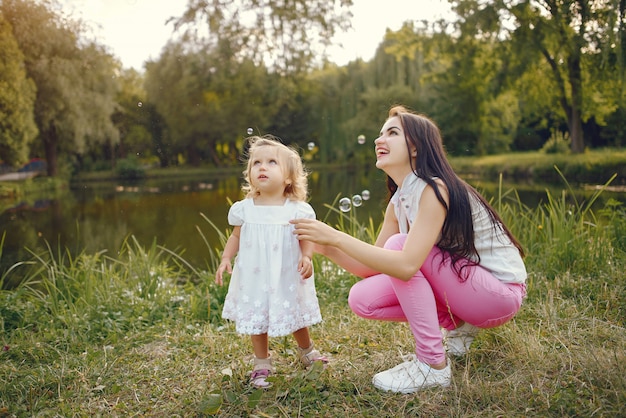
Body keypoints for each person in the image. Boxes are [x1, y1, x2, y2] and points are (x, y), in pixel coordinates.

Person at [291, 105, 527, 394]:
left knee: (400, 247)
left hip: (499, 296)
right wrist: (324, 245)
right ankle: (457, 322)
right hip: (467, 291)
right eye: (380, 134)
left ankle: (432, 365)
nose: (380, 140)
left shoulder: (434, 189)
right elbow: (373, 267)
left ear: (416, 147)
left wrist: (337, 236)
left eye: (392, 133)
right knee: (362, 298)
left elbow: (404, 264)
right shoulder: (399, 200)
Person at [216, 135, 327, 389]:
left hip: (285, 274)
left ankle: (307, 350)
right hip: (255, 276)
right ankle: (261, 362)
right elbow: (235, 236)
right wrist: (225, 258)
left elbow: (305, 237)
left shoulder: (297, 209)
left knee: (296, 315)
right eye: (256, 163)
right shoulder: (244, 208)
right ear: (250, 173)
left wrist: (307, 256)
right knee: (259, 317)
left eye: (271, 162)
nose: (262, 167)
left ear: (288, 177)